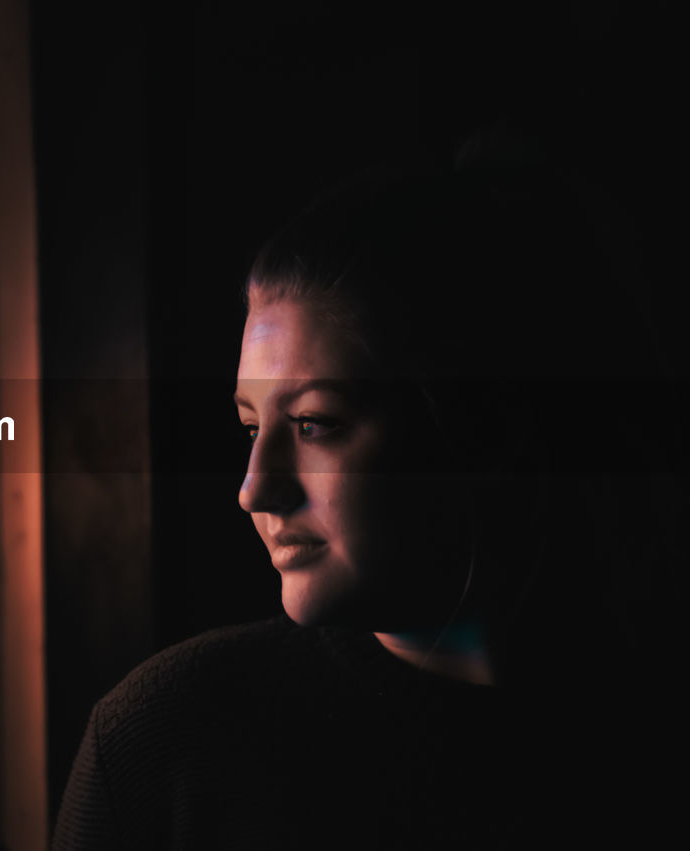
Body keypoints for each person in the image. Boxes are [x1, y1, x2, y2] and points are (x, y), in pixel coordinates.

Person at [51, 144, 680, 848]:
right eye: (250, 427)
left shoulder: (654, 734)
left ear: (485, 427)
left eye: (316, 424)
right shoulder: (163, 740)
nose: (254, 487)